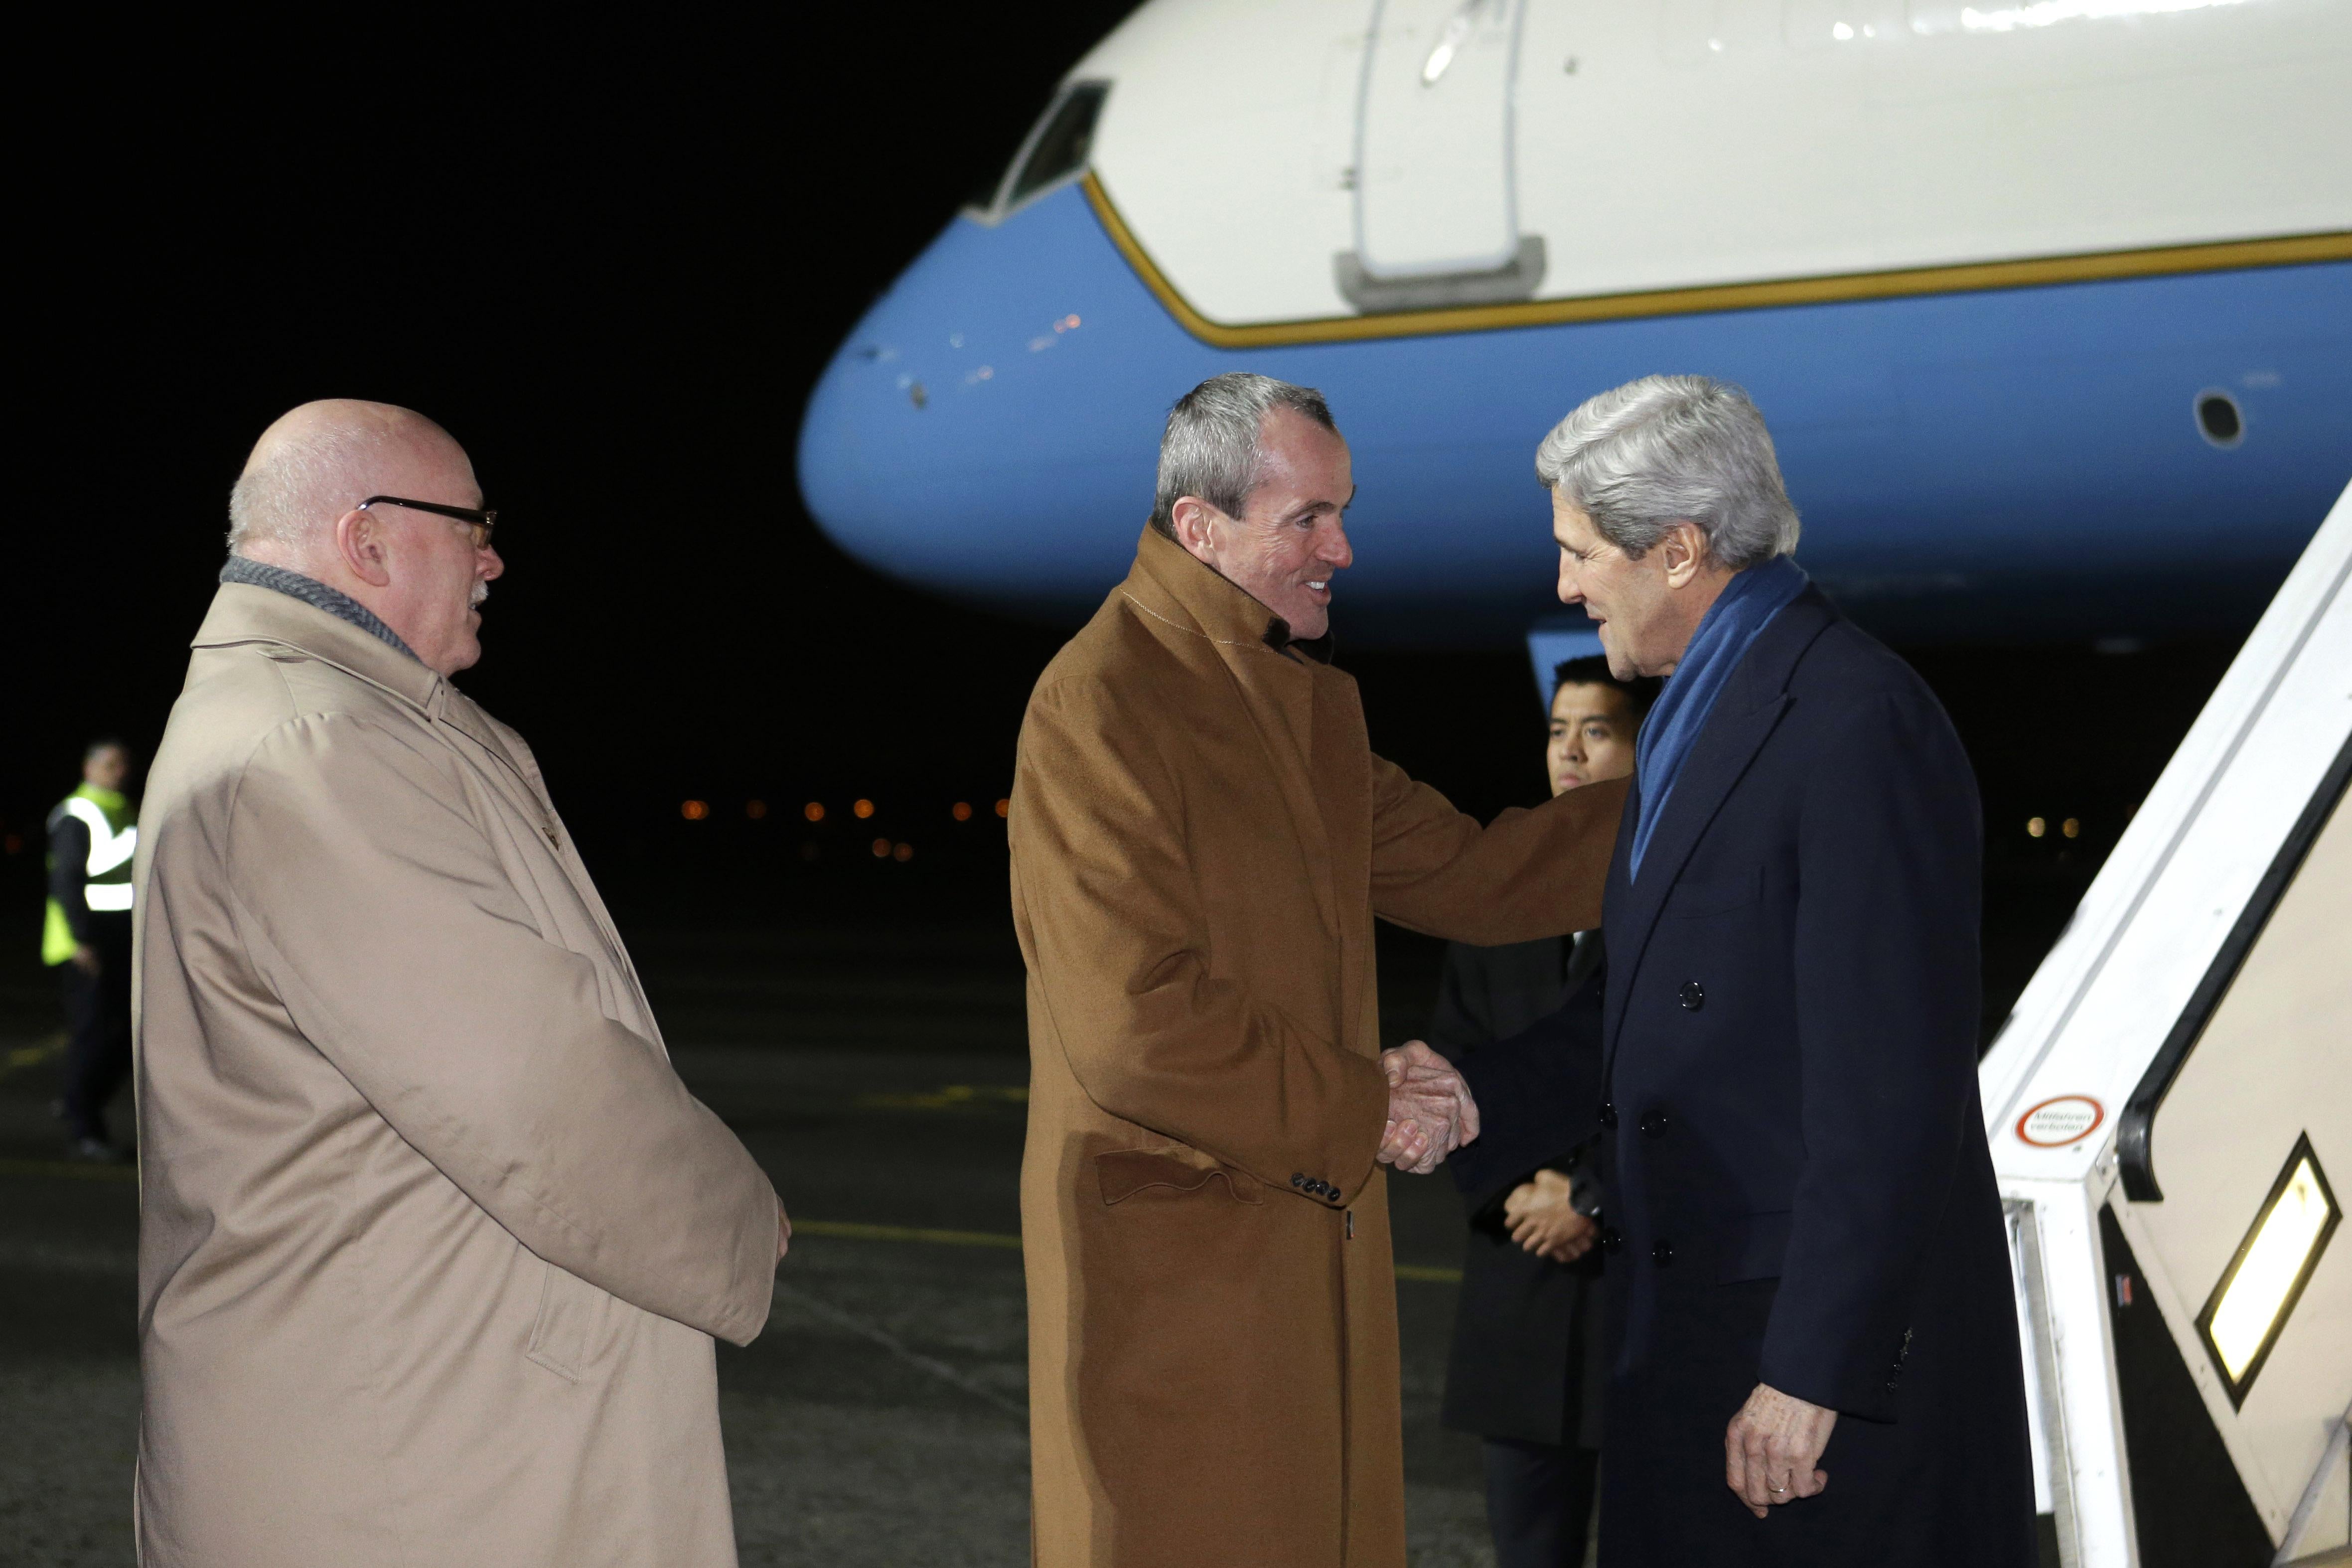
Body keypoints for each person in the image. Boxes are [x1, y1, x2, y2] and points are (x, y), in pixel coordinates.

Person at [132, 400, 788, 1568]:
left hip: (432, 1404)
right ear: (369, 540)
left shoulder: (363, 723)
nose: (494, 556)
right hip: (419, 1451)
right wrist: (743, 1224)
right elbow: (536, 1091)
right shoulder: (314, 748)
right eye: (471, 523)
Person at [1008, 372, 1626, 1568]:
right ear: (1202, 527)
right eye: (1308, 519)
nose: (1342, 547)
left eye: (1342, 511)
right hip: (1184, 1271)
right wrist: (1366, 1099)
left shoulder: (1296, 704)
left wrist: (1696, 793)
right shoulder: (1102, 704)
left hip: (1296, 1244)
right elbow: (1134, 1025)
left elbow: (1480, 872)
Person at [1461, 375, 2036, 1565]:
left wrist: (1810, 1370)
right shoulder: (1692, 705)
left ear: (1677, 549)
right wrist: (1464, 1101)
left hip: (1806, 1380)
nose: (1565, 585)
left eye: (1579, 552)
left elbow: (1891, 1088)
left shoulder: (1850, 717)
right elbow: (1642, 1008)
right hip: (1695, 1328)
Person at [1427, 657, 1655, 1568]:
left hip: (1635, 1303)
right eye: (1558, 731)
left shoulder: (1675, 896)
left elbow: (1689, 1088)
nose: (1570, 751)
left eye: (1596, 731)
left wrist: (1593, 1198)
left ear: (1646, 747)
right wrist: (1523, 1193)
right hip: (1517, 1303)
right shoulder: (1497, 901)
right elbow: (1457, 1064)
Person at [43, 738, 139, 1159]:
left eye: (124, 764)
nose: (120, 771)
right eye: (111, 764)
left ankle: (79, 1103)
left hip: (120, 940)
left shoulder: (125, 808)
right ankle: (85, 1129)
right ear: (90, 767)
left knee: (124, 1040)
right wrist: (82, 940)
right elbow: (65, 880)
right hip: (89, 945)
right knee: (94, 1035)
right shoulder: (77, 813)